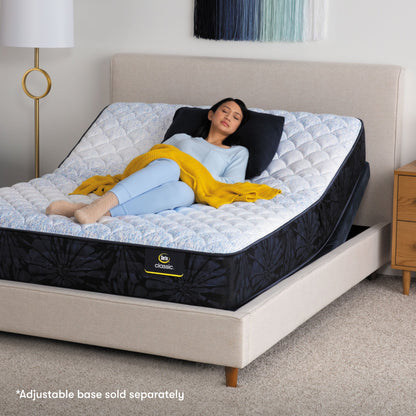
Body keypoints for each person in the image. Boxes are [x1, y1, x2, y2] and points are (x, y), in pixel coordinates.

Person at [46, 98, 251, 224]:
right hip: (162, 172)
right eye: (225, 110)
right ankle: (101, 204)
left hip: (192, 188)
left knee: (185, 192)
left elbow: (233, 184)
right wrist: (180, 166)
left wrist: (195, 173)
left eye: (236, 117)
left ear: (237, 127)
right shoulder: (181, 138)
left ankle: (87, 209)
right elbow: (155, 158)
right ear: (211, 114)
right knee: (171, 165)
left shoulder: (237, 152)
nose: (229, 117)